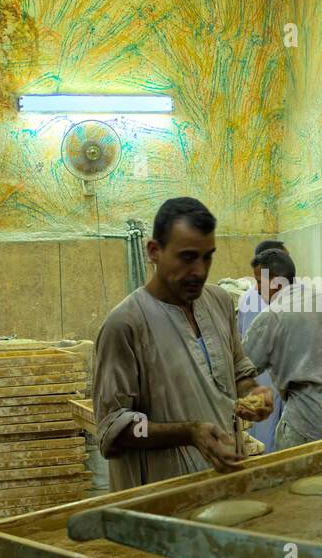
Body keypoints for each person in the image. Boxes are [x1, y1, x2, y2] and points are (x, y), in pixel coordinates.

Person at [94, 197, 275, 491]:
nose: (200, 271)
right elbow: (114, 427)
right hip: (160, 494)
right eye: (187, 257)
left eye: (207, 257)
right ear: (154, 251)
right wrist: (188, 432)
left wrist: (254, 394)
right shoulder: (125, 325)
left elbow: (239, 372)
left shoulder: (218, 302)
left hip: (224, 479)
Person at [241, 247, 322, 450]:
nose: (256, 289)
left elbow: (241, 369)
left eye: (259, 282)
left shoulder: (272, 317)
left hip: (308, 426)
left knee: (299, 479)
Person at [236, 239, 287, 450]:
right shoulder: (280, 296)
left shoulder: (245, 297)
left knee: (262, 437)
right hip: (275, 375)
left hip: (255, 376)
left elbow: (240, 340)